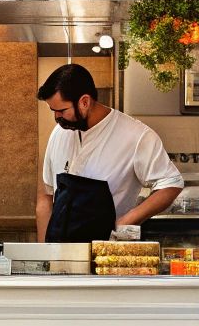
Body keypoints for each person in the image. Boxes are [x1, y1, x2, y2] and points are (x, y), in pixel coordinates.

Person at [35, 64, 184, 242]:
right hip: (61, 254)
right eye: (53, 111)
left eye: (61, 111)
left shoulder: (136, 135)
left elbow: (171, 183)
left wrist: (126, 221)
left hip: (106, 252)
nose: (56, 117)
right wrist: (45, 253)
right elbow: (46, 195)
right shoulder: (59, 133)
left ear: (84, 101)